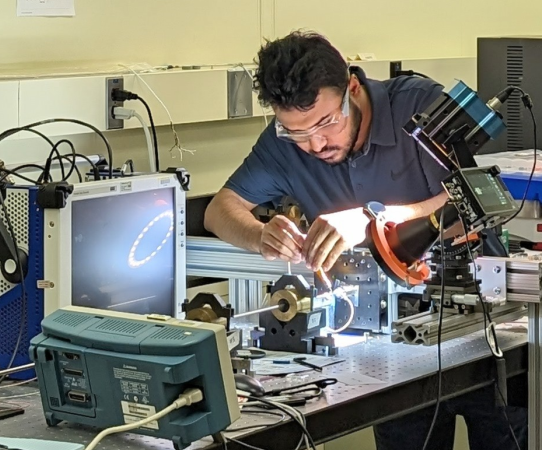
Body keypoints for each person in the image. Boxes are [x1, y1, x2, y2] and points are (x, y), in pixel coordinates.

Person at [204, 30, 527, 450]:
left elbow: (472, 196)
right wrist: (260, 234)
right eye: (296, 133)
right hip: (394, 349)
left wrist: (372, 220)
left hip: (484, 331)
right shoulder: (284, 146)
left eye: (325, 123)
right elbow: (219, 210)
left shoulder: (417, 105)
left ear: (352, 89)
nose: (315, 144)